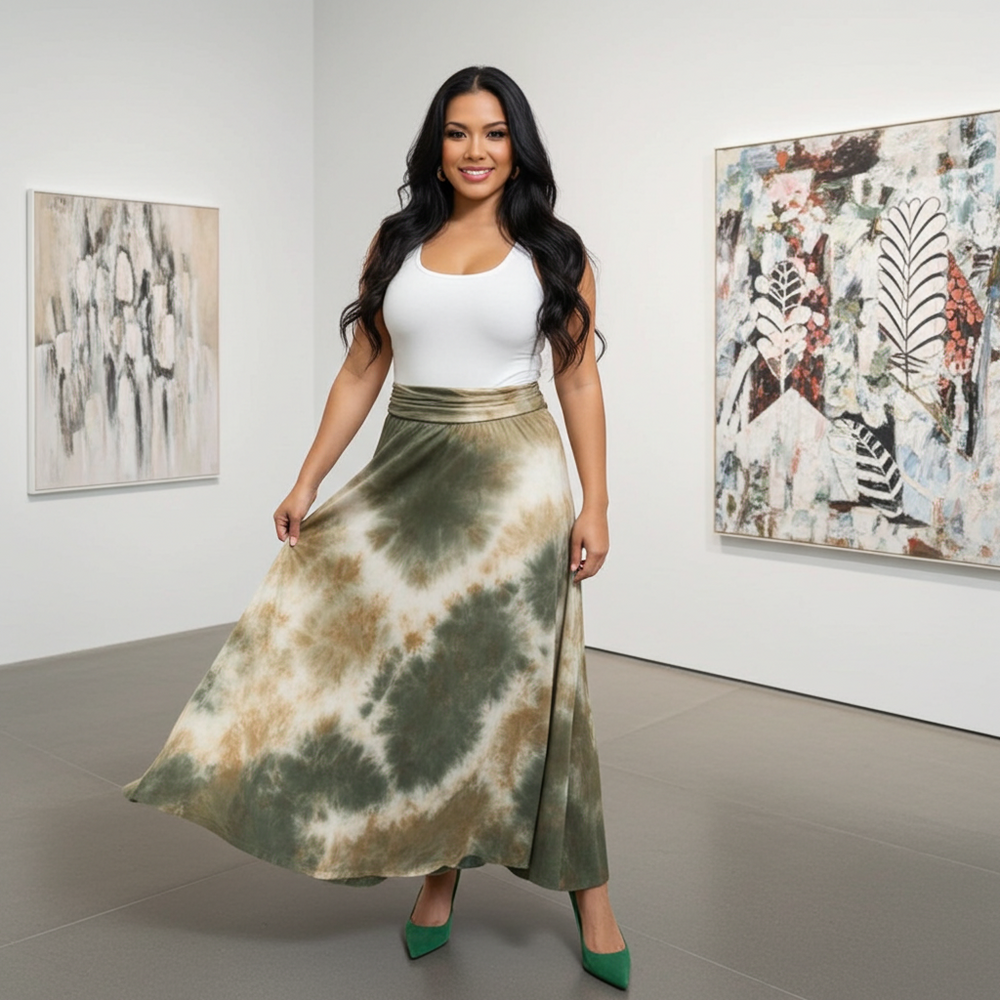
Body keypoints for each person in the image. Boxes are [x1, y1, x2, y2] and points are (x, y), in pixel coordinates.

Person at [123, 65, 629, 990]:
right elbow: (363, 370)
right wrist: (308, 477)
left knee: (532, 695)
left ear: (519, 147)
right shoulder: (397, 243)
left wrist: (595, 500)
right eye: (458, 133)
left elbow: (578, 379)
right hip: (406, 478)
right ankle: (439, 872)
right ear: (436, 147)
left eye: (494, 133)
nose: (476, 151)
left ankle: (591, 894)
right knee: (422, 683)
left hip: (514, 487)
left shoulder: (554, 251)